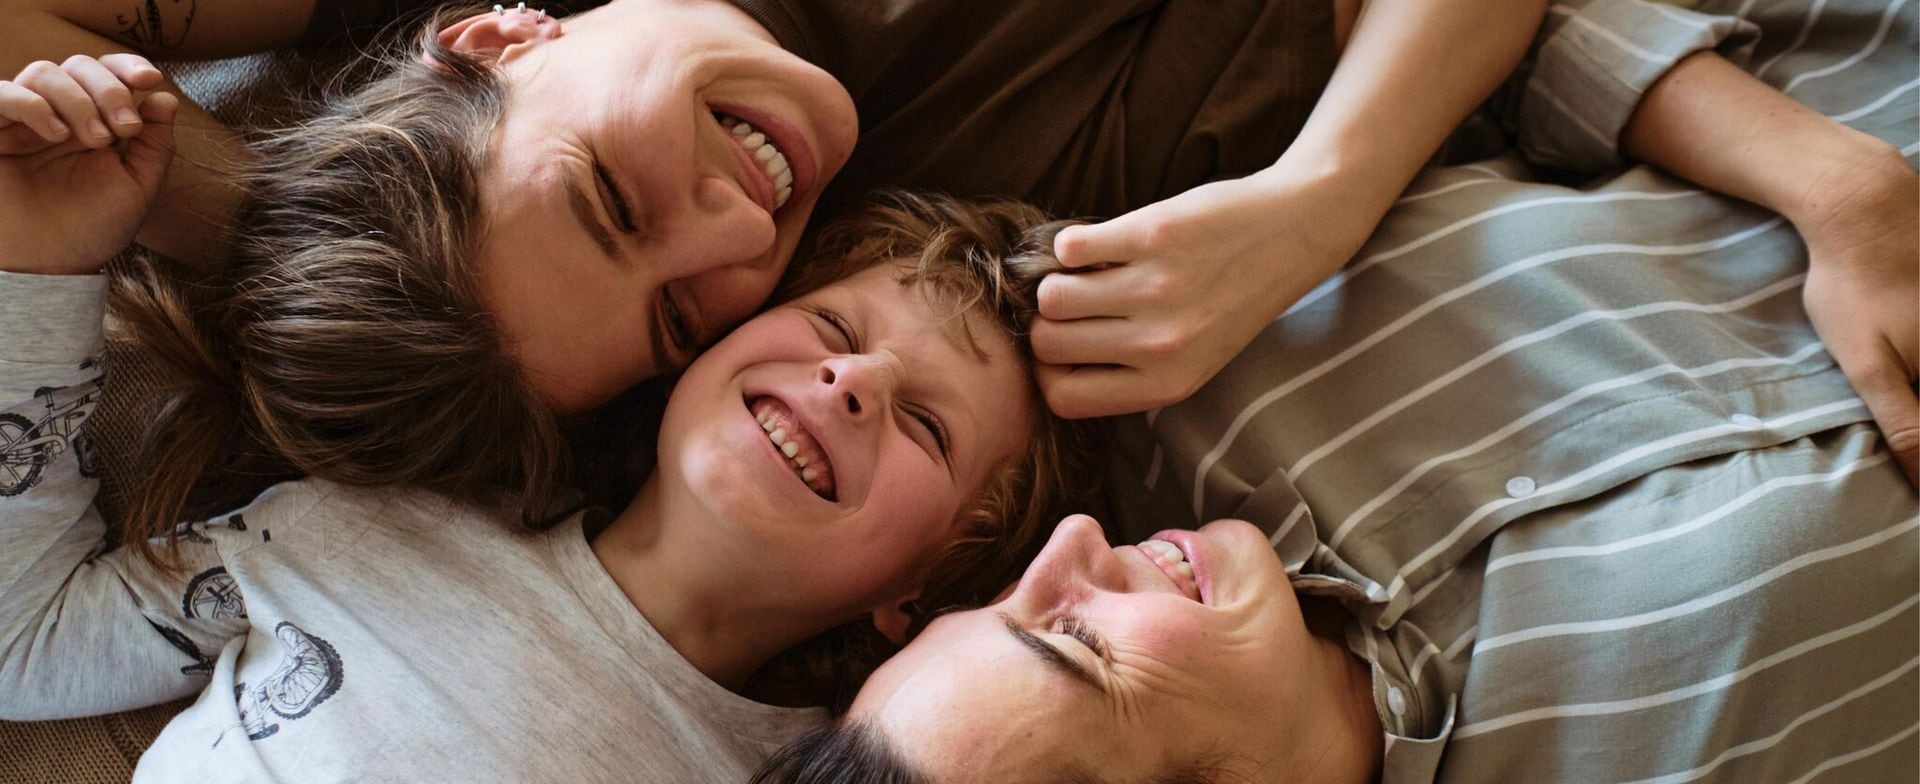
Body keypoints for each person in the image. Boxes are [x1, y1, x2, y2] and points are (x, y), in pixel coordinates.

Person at [723, 2, 1920, 784]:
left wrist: (1843, 190)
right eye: (1077, 642)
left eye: (995, 603)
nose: (1072, 542)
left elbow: (1517, 39)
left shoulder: (1164, 374)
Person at [0, 89, 1090, 784]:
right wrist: (40, 274)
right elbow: (27, 642)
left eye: (928, 427)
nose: (854, 384)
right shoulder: (379, 524)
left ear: (923, 595)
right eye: (836, 330)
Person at [0, 0, 1554, 537]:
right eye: (684, 315)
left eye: (613, 199)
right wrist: (1313, 204)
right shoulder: (1024, 184)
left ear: (490, 32)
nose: (740, 233)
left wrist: (229, 202)